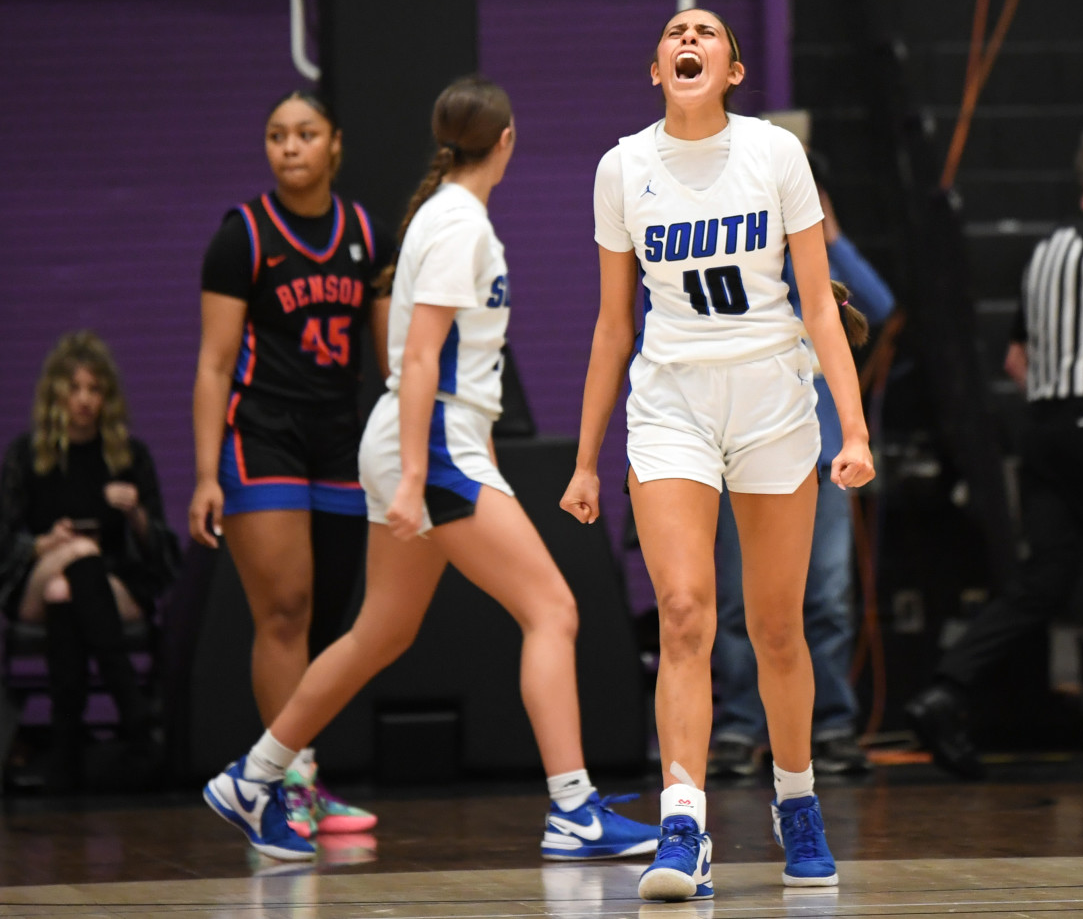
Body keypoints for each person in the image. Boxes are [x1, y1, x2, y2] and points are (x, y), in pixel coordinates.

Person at [201, 75, 660, 863]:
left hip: (418, 438)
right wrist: (415, 474)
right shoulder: (457, 223)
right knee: (553, 609)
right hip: (436, 438)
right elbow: (416, 357)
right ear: (506, 140)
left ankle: (255, 775)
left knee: (381, 630)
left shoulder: (444, 214)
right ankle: (575, 809)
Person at [560, 9, 875, 901]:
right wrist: (587, 460)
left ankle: (797, 800)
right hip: (671, 406)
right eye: (673, 33)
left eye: (706, 31)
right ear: (655, 67)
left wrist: (852, 430)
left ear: (732, 68)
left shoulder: (775, 154)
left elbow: (820, 305)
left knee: (777, 626)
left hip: (774, 397)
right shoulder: (622, 168)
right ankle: (684, 823)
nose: (687, 38)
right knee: (686, 611)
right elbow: (614, 324)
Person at [905, 128, 1083, 780]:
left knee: (1043, 581)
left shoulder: (1047, 251)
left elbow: (1017, 358)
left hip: (1045, 428)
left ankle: (945, 690)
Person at [189, 90, 395, 836]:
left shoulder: (364, 231)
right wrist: (208, 472)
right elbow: (214, 364)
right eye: (276, 134)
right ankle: (280, 788)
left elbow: (391, 357)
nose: (290, 147)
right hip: (262, 435)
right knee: (283, 611)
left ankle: (301, 773)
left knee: (329, 618)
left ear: (334, 143)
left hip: (339, 441)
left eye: (305, 133)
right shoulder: (241, 235)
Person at [709, 177, 894, 780]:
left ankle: (832, 724)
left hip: (820, 457)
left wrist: (828, 228)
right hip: (749, 452)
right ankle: (739, 726)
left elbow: (878, 305)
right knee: (739, 598)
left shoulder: (817, 261)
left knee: (827, 596)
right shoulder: (743, 255)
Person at [0, 331, 179, 790]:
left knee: (70, 587)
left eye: (94, 390)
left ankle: (67, 748)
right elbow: (5, 542)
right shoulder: (27, 457)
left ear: (107, 397)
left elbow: (162, 556)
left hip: (112, 586)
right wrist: (44, 544)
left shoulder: (127, 457)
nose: (83, 400)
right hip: (33, 582)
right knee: (75, 557)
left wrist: (135, 513)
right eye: (74, 388)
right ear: (56, 393)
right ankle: (135, 718)